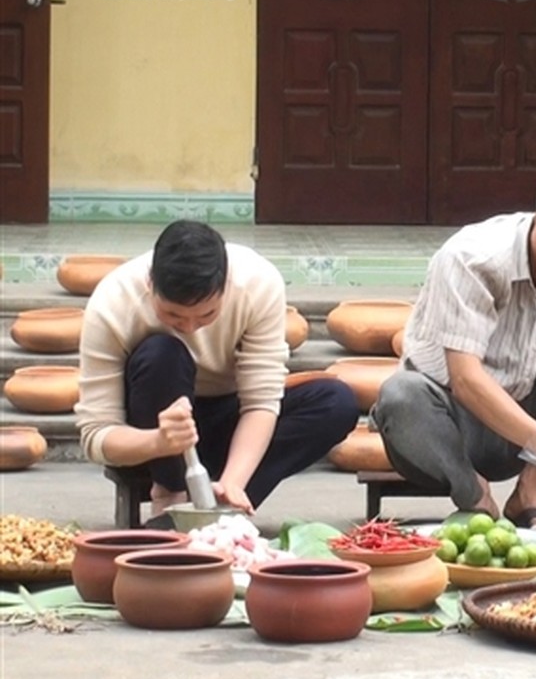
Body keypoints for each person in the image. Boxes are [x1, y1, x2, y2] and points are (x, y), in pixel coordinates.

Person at [372, 164, 536, 529]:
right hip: (446, 429)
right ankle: (476, 498)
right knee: (400, 393)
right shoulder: (472, 258)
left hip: (525, 431)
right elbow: (466, 380)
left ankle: (530, 491)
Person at [75, 220, 358, 526]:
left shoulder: (257, 282)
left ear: (226, 285)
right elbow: (96, 435)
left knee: (335, 402)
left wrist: (233, 482)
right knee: (162, 354)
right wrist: (159, 441)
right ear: (150, 282)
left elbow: (260, 402)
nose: (189, 327)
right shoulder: (112, 303)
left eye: (207, 314)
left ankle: (221, 506)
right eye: (173, 315)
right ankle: (172, 495)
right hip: (148, 438)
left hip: (225, 423)